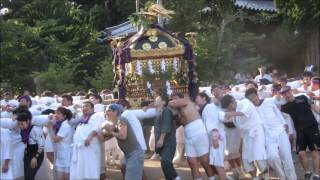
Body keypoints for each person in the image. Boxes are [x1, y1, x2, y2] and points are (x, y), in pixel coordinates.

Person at [246, 88, 297, 180]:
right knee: (272, 157)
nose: (253, 99)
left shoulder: (268, 101)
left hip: (280, 132)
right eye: (250, 99)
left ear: (257, 95)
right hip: (268, 137)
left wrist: (284, 124)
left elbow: (277, 113)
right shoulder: (251, 110)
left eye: (254, 96)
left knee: (287, 158)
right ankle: (282, 177)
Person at [223, 90, 268, 179]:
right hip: (247, 136)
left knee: (259, 158)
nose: (229, 109)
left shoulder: (245, 102)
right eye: (227, 109)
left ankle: (266, 177)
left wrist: (232, 113)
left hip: (257, 132)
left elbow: (244, 113)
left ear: (233, 101)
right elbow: (239, 126)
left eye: (229, 107)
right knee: (246, 161)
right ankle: (255, 177)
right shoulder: (233, 114)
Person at [169, 93, 215, 180]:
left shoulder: (186, 101)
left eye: (175, 98)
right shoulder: (177, 112)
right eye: (172, 98)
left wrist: (164, 103)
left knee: (205, 162)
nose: (174, 100)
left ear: (181, 98)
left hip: (198, 132)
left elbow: (171, 104)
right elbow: (176, 125)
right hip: (188, 135)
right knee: (192, 163)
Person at [280, 86, 320, 180]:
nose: (287, 94)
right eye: (284, 93)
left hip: (312, 127)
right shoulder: (285, 107)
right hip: (300, 131)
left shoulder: (302, 97)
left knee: (314, 151)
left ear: (291, 91)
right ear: (283, 96)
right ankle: (307, 172)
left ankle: (316, 174)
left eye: (288, 92)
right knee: (301, 153)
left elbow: (314, 108)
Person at [102, 104, 145, 180]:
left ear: (115, 112)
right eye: (105, 111)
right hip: (130, 154)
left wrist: (110, 131)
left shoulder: (121, 119)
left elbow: (123, 136)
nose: (106, 113)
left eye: (108, 110)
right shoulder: (115, 123)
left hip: (134, 153)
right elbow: (106, 137)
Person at [195, 92, 226, 180]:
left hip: (216, 137)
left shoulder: (209, 107)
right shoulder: (204, 108)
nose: (196, 100)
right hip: (212, 138)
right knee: (215, 161)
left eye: (197, 97)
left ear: (204, 98)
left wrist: (215, 138)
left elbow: (213, 123)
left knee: (217, 162)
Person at [69, 101, 103, 180]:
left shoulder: (97, 115)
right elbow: (70, 121)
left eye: (87, 106)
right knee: (80, 169)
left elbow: (96, 128)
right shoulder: (82, 118)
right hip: (80, 148)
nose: (84, 108)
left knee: (90, 168)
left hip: (90, 145)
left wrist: (89, 138)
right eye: (83, 107)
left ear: (92, 108)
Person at [154, 95, 181, 180]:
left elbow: (166, 125)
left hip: (168, 142)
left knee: (165, 162)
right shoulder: (159, 111)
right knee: (164, 164)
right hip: (164, 143)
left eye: (158, 99)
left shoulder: (166, 111)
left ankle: (177, 178)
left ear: (163, 102)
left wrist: (161, 139)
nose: (155, 100)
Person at [220, 95, 246, 179]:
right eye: (229, 104)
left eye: (232, 102)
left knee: (235, 153)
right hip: (226, 133)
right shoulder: (222, 110)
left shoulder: (239, 107)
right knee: (228, 153)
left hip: (236, 133)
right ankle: (235, 172)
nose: (232, 104)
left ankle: (241, 172)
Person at [16, 110, 45, 180]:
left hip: (37, 153)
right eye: (19, 124)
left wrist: (36, 157)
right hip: (28, 154)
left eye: (22, 124)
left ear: (28, 121)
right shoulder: (21, 130)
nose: (20, 126)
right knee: (26, 176)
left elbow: (42, 145)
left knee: (30, 176)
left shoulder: (35, 129)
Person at [47, 107, 74, 180]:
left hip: (67, 155)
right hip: (60, 156)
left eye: (58, 113)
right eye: (55, 113)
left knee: (66, 178)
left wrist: (50, 128)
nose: (56, 115)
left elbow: (56, 139)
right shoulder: (59, 125)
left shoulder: (65, 126)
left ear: (64, 116)